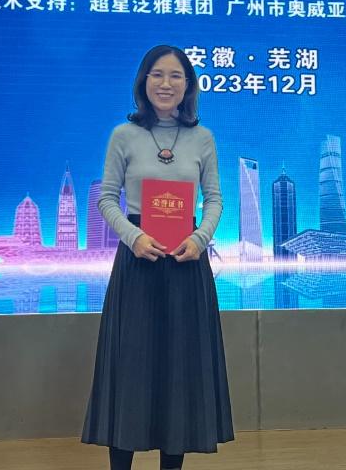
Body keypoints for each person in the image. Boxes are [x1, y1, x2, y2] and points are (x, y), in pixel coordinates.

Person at [82, 44, 234, 470]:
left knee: (179, 370)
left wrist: (200, 239)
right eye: (157, 74)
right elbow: (106, 198)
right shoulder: (123, 135)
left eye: (175, 76)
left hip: (186, 264)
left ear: (188, 86)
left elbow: (214, 199)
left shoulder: (203, 138)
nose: (166, 84)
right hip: (138, 263)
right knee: (131, 369)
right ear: (143, 82)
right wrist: (133, 238)